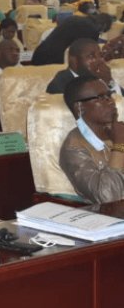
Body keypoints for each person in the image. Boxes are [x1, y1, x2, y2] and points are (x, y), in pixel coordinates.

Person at [59, 75, 124, 203]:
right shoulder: (74, 148)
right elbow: (108, 197)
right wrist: (119, 145)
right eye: (100, 98)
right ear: (79, 107)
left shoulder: (118, 130)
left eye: (109, 96)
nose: (111, 101)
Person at [31, 14, 113, 65]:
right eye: (103, 31)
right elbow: (89, 55)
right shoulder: (92, 30)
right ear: (104, 25)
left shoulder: (74, 18)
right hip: (52, 61)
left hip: (40, 54)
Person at [47, 38, 119, 95]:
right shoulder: (60, 84)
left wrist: (110, 82)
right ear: (73, 61)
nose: (99, 60)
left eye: (100, 55)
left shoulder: (99, 76)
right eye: (91, 56)